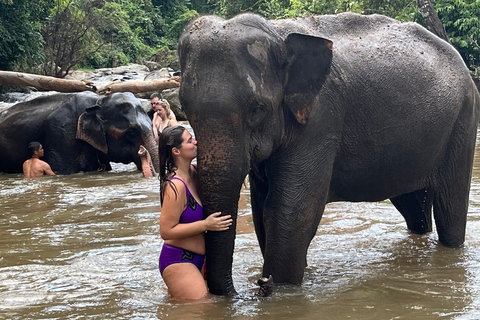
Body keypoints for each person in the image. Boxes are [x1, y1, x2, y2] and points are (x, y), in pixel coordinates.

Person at [158, 125, 232, 300]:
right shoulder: (175, 186)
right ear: (176, 151)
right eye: (190, 140)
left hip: (200, 260)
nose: (196, 142)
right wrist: (205, 225)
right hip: (179, 260)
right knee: (204, 311)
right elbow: (166, 231)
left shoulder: (195, 172)